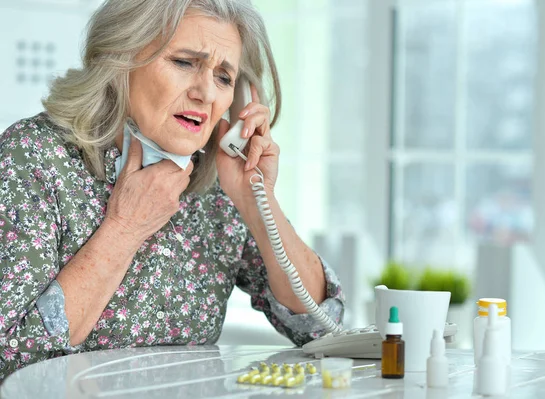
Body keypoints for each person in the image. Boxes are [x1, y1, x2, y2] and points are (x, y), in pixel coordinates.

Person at [0, 0, 344, 382]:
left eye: (224, 78)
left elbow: (321, 329)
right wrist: (124, 228)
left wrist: (255, 201)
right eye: (184, 62)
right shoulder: (34, 156)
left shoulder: (216, 187)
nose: (206, 94)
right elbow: (13, 355)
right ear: (120, 61)